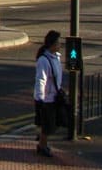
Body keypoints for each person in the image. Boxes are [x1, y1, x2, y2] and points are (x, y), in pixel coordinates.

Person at [34, 30, 63, 158]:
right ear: (51, 44)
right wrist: (40, 99)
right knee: (48, 125)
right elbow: (41, 80)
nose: (60, 45)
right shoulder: (44, 60)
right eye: (58, 43)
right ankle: (42, 146)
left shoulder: (56, 57)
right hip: (46, 99)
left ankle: (41, 139)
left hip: (54, 96)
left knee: (53, 123)